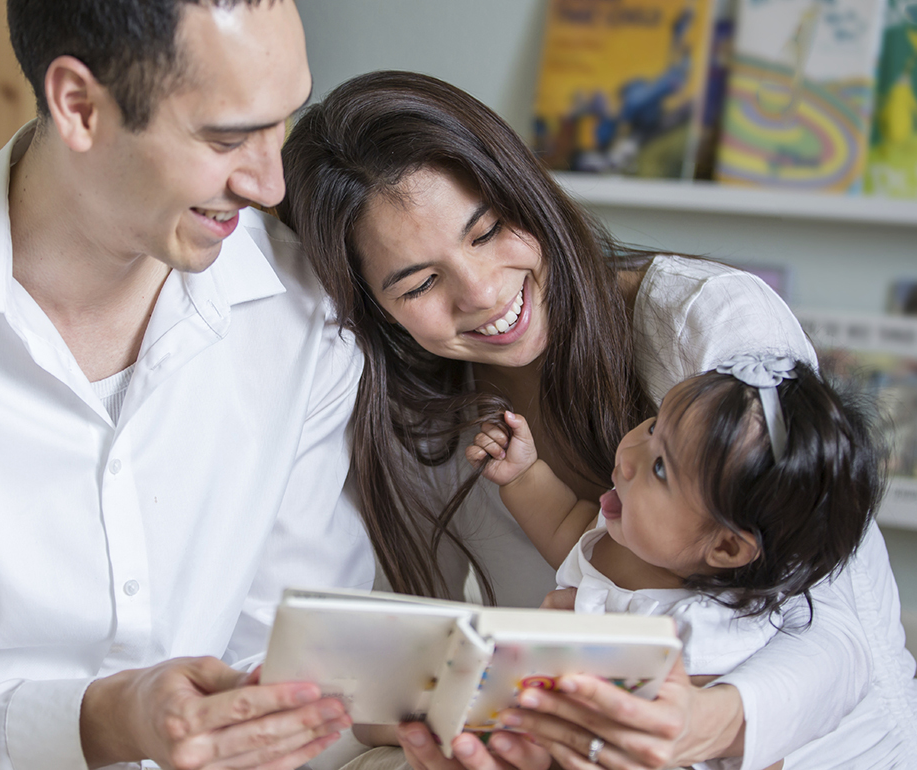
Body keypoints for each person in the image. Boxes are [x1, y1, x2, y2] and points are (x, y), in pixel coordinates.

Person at [278, 70, 917, 770]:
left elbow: (840, 632)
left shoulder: (707, 326)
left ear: (526, 192)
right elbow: (415, 674)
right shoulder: (417, 424)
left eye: (488, 230)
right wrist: (458, 733)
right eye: (421, 282)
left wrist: (703, 722)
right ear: (375, 308)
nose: (483, 291)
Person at [0, 1, 375, 768]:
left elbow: (295, 668)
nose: (271, 183)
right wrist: (103, 723)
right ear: (79, 106)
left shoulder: (306, 313)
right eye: (226, 136)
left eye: (284, 120)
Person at [471, 353, 916, 768]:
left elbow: (714, 740)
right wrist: (524, 476)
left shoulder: (709, 634)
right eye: (652, 428)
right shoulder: (624, 539)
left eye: (661, 468)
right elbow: (569, 526)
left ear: (725, 548)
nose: (628, 458)